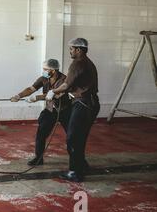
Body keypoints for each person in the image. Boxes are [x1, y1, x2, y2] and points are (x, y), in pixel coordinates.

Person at [47, 38, 100, 182]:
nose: (70, 51)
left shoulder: (77, 63)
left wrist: (53, 91)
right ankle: (81, 164)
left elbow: (66, 85)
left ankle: (75, 172)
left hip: (83, 104)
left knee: (73, 138)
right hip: (90, 103)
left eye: (71, 49)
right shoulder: (87, 62)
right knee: (80, 136)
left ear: (78, 49)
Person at [11, 59, 71, 166]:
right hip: (50, 110)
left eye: (45, 69)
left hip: (65, 111)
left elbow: (56, 94)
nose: (43, 71)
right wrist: (18, 95)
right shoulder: (44, 78)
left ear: (53, 70)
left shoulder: (63, 80)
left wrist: (37, 97)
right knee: (41, 134)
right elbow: (31, 88)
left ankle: (78, 160)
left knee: (72, 136)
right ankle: (38, 159)